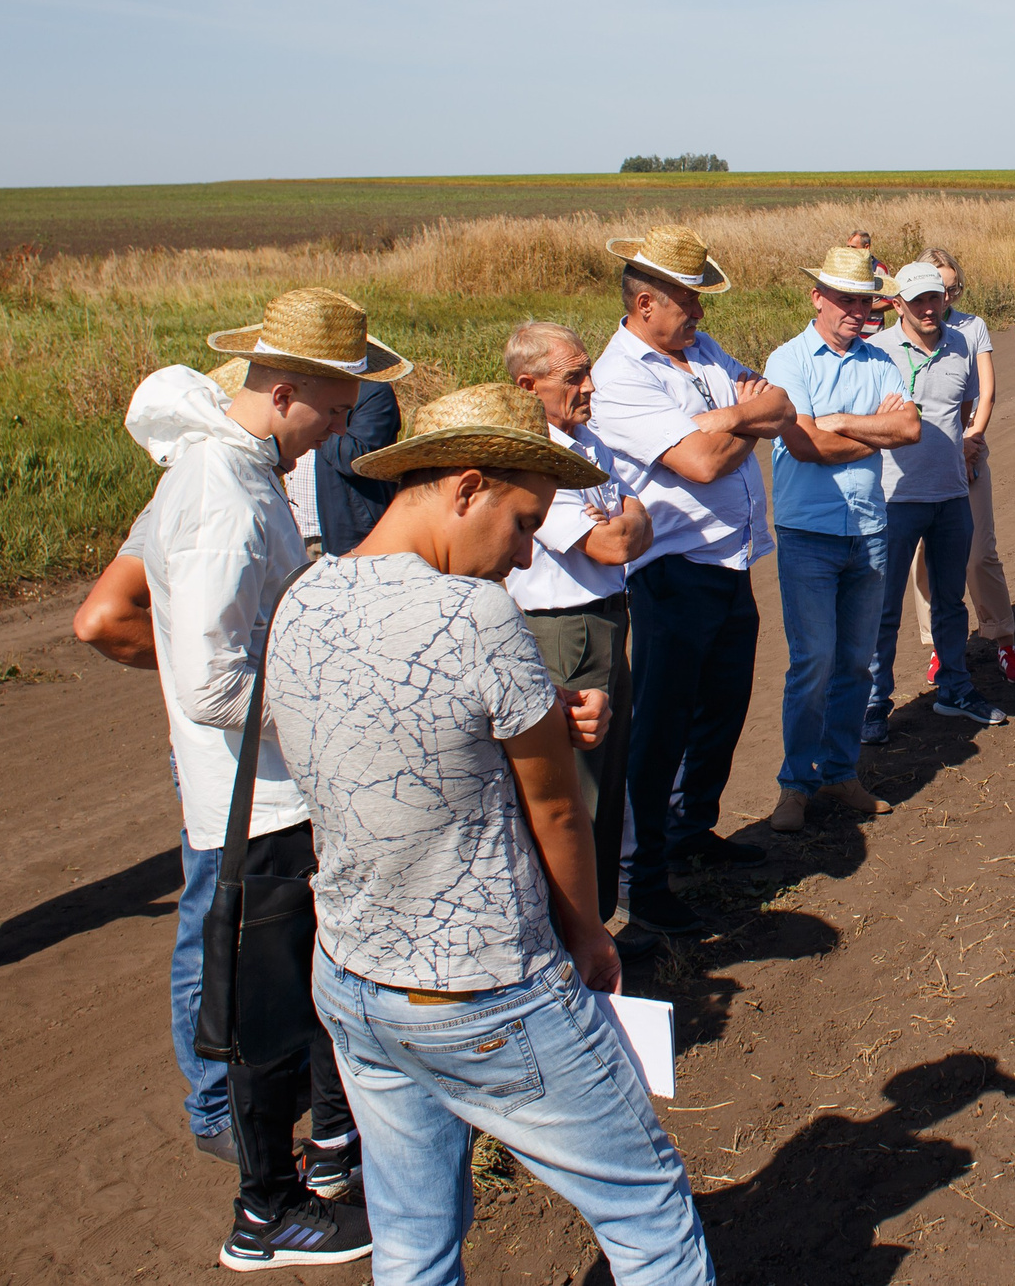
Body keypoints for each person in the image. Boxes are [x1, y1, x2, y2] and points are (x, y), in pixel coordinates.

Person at [268, 383, 713, 1285]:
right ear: (467, 487)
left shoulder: (305, 596)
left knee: (412, 1234)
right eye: (522, 523)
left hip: (354, 976)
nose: (523, 554)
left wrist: (539, 708)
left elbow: (392, 736)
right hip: (483, 983)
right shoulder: (477, 615)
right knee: (648, 1212)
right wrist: (587, 935)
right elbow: (557, 809)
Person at [135, 287, 408, 1267]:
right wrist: (339, 707)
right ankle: (266, 1211)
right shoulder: (221, 493)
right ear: (284, 392)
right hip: (260, 801)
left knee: (300, 994)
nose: (339, 431)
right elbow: (212, 681)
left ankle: (323, 1162)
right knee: (268, 1012)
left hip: (283, 789)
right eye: (332, 411)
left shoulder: (245, 472)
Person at [592, 225, 794, 937]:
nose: (701, 314)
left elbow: (780, 405)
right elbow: (701, 465)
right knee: (660, 727)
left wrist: (728, 417)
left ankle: (691, 829)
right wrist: (747, 424)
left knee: (723, 708)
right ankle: (642, 880)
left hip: (731, 560)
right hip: (673, 571)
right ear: (646, 303)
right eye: (689, 301)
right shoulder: (620, 378)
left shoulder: (700, 349)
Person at [71, 356, 249, 1160]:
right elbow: (102, 617)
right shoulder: (200, 486)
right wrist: (190, 666)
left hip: (253, 746)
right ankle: (214, 1102)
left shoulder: (250, 481)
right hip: (222, 752)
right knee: (218, 912)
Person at [505, 322, 661, 925]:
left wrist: (623, 518)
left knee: (608, 773)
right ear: (529, 385)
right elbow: (613, 544)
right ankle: (578, 928)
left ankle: (597, 917)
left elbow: (635, 519)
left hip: (603, 620)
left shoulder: (584, 441)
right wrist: (624, 519)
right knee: (579, 786)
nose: (590, 385)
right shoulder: (533, 457)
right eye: (574, 376)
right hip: (565, 631)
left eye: (588, 370)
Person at [762, 247, 920, 833]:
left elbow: (910, 427)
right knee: (813, 661)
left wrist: (841, 421)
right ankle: (796, 783)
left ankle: (839, 771)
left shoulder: (878, 360)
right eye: (846, 300)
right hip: (809, 532)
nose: (857, 311)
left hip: (869, 530)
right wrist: (873, 430)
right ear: (817, 298)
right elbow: (805, 445)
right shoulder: (789, 361)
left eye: (865, 302)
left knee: (856, 663)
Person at [862, 260, 1007, 746]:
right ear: (897, 303)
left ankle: (955, 689)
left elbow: (964, 410)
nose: (929, 308)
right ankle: (874, 704)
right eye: (918, 300)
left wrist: (961, 454)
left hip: (950, 495)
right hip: (894, 499)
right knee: (883, 609)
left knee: (950, 602)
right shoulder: (876, 352)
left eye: (935, 298)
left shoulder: (961, 343)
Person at [903, 247, 1015, 684]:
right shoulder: (893, 339)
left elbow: (984, 393)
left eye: (951, 289)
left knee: (979, 554)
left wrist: (971, 442)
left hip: (966, 451)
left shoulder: (970, 328)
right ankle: (939, 646)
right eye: (935, 289)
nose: (943, 299)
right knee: (924, 560)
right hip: (917, 465)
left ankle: (1004, 638)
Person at [284, 380, 402, 559]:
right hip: (298, 532)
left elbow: (356, 456)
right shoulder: (302, 388)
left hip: (349, 536)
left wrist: (313, 420)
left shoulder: (373, 391)